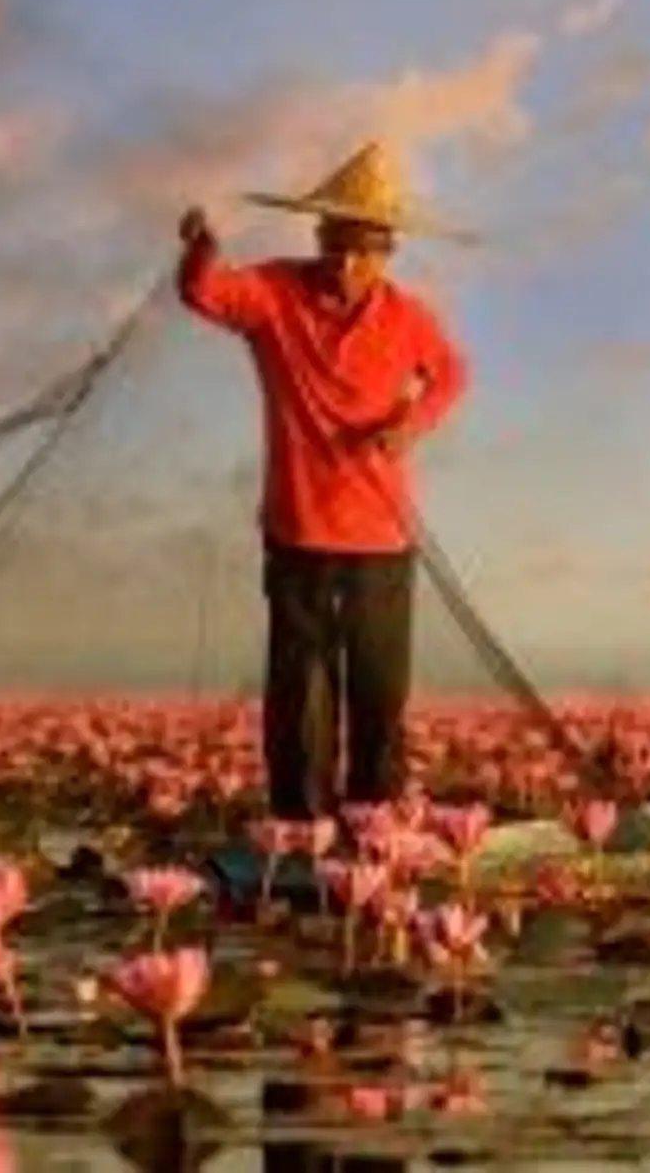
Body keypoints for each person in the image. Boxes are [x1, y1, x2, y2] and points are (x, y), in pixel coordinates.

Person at [174, 140, 472, 822]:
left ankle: (373, 825)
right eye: (336, 243)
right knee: (302, 687)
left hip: (383, 534)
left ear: (387, 250)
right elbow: (204, 292)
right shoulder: (275, 293)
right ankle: (301, 826)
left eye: (365, 248)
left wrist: (410, 422)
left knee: (378, 688)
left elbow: (451, 375)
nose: (347, 261)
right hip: (298, 529)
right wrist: (202, 248)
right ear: (318, 237)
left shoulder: (408, 317)